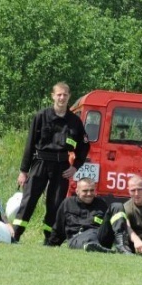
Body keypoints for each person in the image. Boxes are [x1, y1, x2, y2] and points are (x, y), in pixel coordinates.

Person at [12, 82, 90, 244]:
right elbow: (30, 143)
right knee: (29, 200)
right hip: (40, 163)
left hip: (61, 166)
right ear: (53, 96)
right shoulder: (41, 116)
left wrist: (75, 167)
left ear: (69, 97)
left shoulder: (75, 121)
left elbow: (84, 147)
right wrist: (23, 170)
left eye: (65, 95)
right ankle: (15, 235)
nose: (62, 98)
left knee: (55, 204)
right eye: (59, 94)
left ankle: (50, 239)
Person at [47, 177, 131, 253]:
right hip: (78, 238)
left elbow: (107, 226)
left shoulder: (101, 203)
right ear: (77, 191)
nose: (89, 194)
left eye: (91, 190)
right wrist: (50, 245)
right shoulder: (68, 203)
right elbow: (58, 228)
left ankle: (122, 246)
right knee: (88, 238)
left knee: (117, 206)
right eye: (85, 191)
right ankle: (94, 247)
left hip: (99, 236)